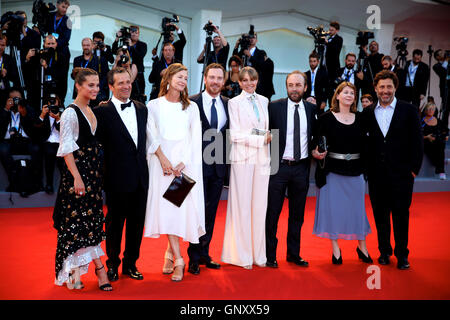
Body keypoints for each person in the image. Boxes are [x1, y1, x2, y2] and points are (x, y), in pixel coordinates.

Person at [144, 63, 204, 282]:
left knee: (178, 210)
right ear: (168, 79)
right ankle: (176, 256)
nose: (183, 81)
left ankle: (174, 256)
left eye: (186, 78)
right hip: (161, 167)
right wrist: (163, 159)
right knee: (167, 210)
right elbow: (151, 135)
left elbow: (195, 138)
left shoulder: (191, 107)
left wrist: (182, 163)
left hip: (183, 168)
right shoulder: (154, 105)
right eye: (180, 77)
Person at [52, 67, 112, 291]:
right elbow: (66, 149)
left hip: (94, 178)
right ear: (78, 86)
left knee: (90, 224)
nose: (96, 89)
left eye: (97, 85)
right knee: (77, 225)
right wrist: (77, 178)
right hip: (78, 178)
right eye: (91, 85)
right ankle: (99, 270)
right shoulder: (70, 113)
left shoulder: (91, 110)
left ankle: (76, 273)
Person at [362, 70, 423, 270]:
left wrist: (414, 169)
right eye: (382, 87)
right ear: (376, 89)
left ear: (395, 88)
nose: (385, 91)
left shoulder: (409, 110)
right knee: (380, 216)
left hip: (402, 175)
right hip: (377, 176)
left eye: (389, 87)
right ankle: (384, 252)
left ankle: (402, 254)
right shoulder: (368, 112)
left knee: (400, 215)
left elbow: (417, 141)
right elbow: (364, 144)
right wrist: (367, 171)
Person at [94, 67, 149, 282]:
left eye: (128, 82)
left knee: (137, 224)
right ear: (111, 86)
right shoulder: (102, 111)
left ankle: (131, 264)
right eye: (120, 83)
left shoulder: (142, 108)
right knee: (115, 224)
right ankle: (112, 264)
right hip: (116, 179)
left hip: (140, 179)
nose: (126, 86)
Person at [312, 81, 372, 265]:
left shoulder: (362, 119)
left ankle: (362, 247)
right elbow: (315, 145)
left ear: (355, 98)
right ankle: (335, 249)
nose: (348, 95)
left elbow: (367, 146)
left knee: (358, 211)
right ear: (337, 96)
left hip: (356, 171)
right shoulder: (325, 118)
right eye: (345, 92)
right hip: (332, 172)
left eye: (352, 93)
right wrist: (316, 153)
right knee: (333, 211)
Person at [265, 70, 317, 268]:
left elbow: (312, 137)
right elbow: (262, 131)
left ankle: (293, 254)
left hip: (301, 168)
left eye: (298, 85)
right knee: (272, 214)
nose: (294, 89)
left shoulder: (311, 110)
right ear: (286, 87)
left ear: (305, 87)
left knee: (297, 215)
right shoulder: (274, 107)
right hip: (278, 168)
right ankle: (270, 255)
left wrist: (315, 150)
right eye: (291, 85)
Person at [221, 66, 271, 269]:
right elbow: (235, 134)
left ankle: (258, 255)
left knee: (259, 207)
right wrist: (261, 137)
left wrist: (264, 137)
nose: (250, 83)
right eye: (245, 80)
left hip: (263, 159)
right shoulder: (234, 102)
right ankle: (241, 256)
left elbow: (265, 129)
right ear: (239, 83)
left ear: (257, 80)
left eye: (253, 79)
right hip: (243, 160)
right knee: (242, 207)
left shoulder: (265, 100)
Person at [187, 63, 229, 275]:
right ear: (205, 79)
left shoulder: (228, 104)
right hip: (195, 168)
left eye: (219, 78)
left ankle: (204, 253)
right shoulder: (191, 102)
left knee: (211, 213)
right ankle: (192, 257)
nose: (215, 81)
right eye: (211, 77)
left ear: (224, 80)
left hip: (218, 168)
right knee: (195, 213)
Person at [0, 88, 40, 196]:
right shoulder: (3, 110)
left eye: (18, 99)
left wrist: (24, 114)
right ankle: (14, 181)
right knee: (2, 150)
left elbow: (34, 129)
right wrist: (6, 110)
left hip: (25, 140)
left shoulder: (29, 110)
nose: (16, 102)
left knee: (36, 149)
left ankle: (36, 182)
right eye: (13, 99)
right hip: (8, 140)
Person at [24, 35, 67, 111]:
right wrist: (27, 58)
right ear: (44, 44)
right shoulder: (38, 55)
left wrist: (47, 67)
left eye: (52, 43)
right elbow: (28, 72)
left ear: (56, 44)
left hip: (54, 90)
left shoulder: (61, 56)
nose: (50, 46)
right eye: (48, 44)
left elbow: (61, 74)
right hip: (38, 91)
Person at [37, 94, 64, 194]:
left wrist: (57, 118)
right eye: (50, 101)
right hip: (48, 142)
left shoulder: (63, 112)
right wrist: (42, 115)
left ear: (59, 102)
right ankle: (49, 184)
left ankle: (64, 185)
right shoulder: (44, 113)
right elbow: (36, 129)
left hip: (61, 142)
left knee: (62, 160)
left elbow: (64, 129)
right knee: (49, 153)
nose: (53, 103)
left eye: (54, 101)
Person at [47, 0, 72, 103]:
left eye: (66, 7)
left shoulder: (68, 21)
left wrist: (56, 44)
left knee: (62, 78)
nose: (64, 9)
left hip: (62, 52)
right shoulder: (49, 16)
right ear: (57, 5)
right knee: (48, 74)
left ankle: (61, 102)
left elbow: (66, 38)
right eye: (63, 6)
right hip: (49, 50)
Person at [72, 38, 110, 105]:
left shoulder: (101, 60)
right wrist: (74, 73)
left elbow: (105, 77)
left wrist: (96, 89)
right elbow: (74, 77)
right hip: (81, 94)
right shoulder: (77, 60)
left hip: (96, 95)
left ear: (92, 46)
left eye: (88, 45)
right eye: (84, 45)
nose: (86, 47)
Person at [113, 25, 147, 97]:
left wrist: (131, 46)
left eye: (136, 32)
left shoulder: (143, 45)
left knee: (138, 96)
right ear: (129, 33)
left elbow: (139, 57)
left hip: (138, 75)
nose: (134, 34)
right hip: (124, 72)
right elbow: (114, 51)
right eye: (132, 32)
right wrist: (117, 38)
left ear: (138, 34)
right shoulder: (124, 44)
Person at [421, 102, 448, 180]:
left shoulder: (438, 121)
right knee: (437, 147)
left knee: (440, 144)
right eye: (429, 109)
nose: (430, 110)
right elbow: (416, 135)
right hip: (425, 142)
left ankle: (441, 172)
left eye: (432, 109)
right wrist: (427, 137)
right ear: (425, 110)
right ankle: (438, 166)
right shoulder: (420, 120)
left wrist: (446, 135)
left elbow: (446, 130)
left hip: (436, 142)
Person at [432, 49, 449, 128]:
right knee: (445, 109)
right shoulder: (436, 66)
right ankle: (444, 128)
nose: (444, 53)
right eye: (441, 53)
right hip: (445, 90)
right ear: (437, 57)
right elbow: (443, 74)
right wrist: (445, 61)